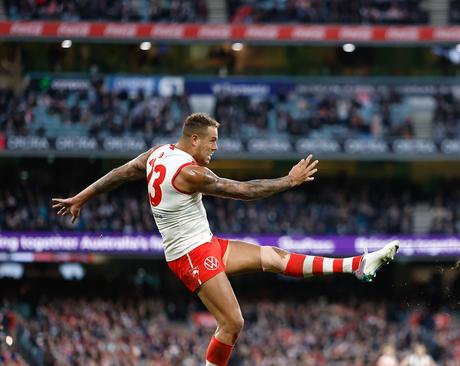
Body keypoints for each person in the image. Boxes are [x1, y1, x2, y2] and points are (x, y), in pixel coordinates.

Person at [52, 112, 399, 366]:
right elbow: (245, 191)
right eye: (213, 140)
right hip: (190, 254)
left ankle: (358, 263)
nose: (216, 147)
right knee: (233, 323)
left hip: (204, 243)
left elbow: (119, 173)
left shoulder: (158, 154)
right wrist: (289, 181)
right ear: (194, 140)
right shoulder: (190, 172)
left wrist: (81, 198)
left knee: (273, 257)